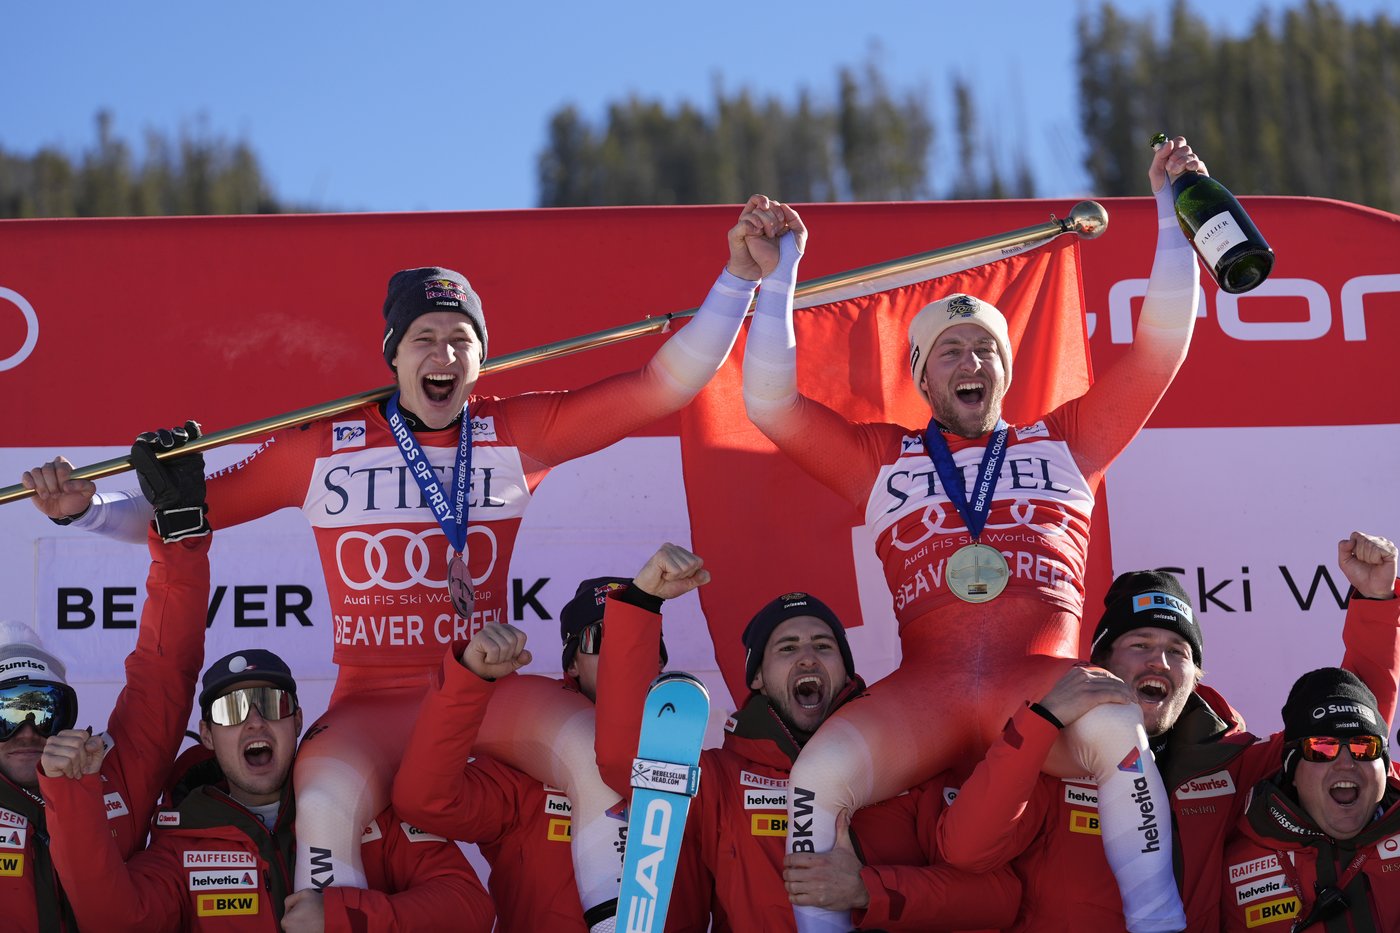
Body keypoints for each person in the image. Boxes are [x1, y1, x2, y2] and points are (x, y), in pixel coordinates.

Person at [22, 200, 777, 921]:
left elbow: (663, 385)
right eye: (424, 338)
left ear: (483, 357)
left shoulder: (515, 430)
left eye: (461, 339)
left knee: (602, 758)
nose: (444, 354)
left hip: (488, 690)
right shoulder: (321, 445)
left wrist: (739, 277)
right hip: (371, 704)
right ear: (393, 355)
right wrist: (81, 509)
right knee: (321, 799)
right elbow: (181, 520)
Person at [740, 140, 1208, 931]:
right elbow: (768, 402)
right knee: (817, 776)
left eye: (987, 349)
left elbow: (1161, 347)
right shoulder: (882, 458)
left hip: (1040, 679)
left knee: (1120, 729)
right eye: (950, 352)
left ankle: (1159, 924)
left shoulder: (1067, 441)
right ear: (924, 379)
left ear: (1006, 370)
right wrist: (780, 271)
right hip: (927, 690)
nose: (972, 361)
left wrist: (1172, 210)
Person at [937, 532, 1400, 931]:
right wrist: (1042, 723)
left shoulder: (1231, 759)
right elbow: (967, 851)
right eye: (1140, 644)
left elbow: (1351, 724)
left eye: (1178, 650)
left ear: (1195, 675)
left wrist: (1375, 604)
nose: (1158, 661)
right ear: (1101, 664)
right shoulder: (1053, 755)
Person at [596, 581, 1023, 932]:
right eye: (786, 648)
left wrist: (868, 890)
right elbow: (629, 762)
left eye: (823, 645)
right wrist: (640, 603)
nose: (807, 656)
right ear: (758, 678)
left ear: (845, 670)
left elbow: (997, 898)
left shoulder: (909, 765)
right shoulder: (719, 780)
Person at [40, 646, 493, 931]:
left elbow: (469, 906)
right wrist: (72, 796)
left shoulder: (366, 806)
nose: (254, 721)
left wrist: (345, 917)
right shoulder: (181, 840)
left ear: (296, 721)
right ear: (207, 734)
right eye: (231, 709)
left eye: (270, 704)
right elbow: (117, 921)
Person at [391, 544, 696, 932]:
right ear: (571, 663)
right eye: (602, 640)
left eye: (637, 640)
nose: (623, 654)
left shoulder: (693, 765)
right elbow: (426, 802)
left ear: (659, 660)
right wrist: (470, 680)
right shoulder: (525, 777)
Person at [0, 425, 212, 932]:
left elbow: (165, 669)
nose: (28, 730)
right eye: (8, 712)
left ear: (68, 712)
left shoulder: (115, 771)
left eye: (44, 708)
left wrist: (181, 539)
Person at [1222, 668, 1400, 932]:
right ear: (1292, 771)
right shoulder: (1233, 865)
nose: (1346, 763)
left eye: (1364, 746)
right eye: (1322, 747)